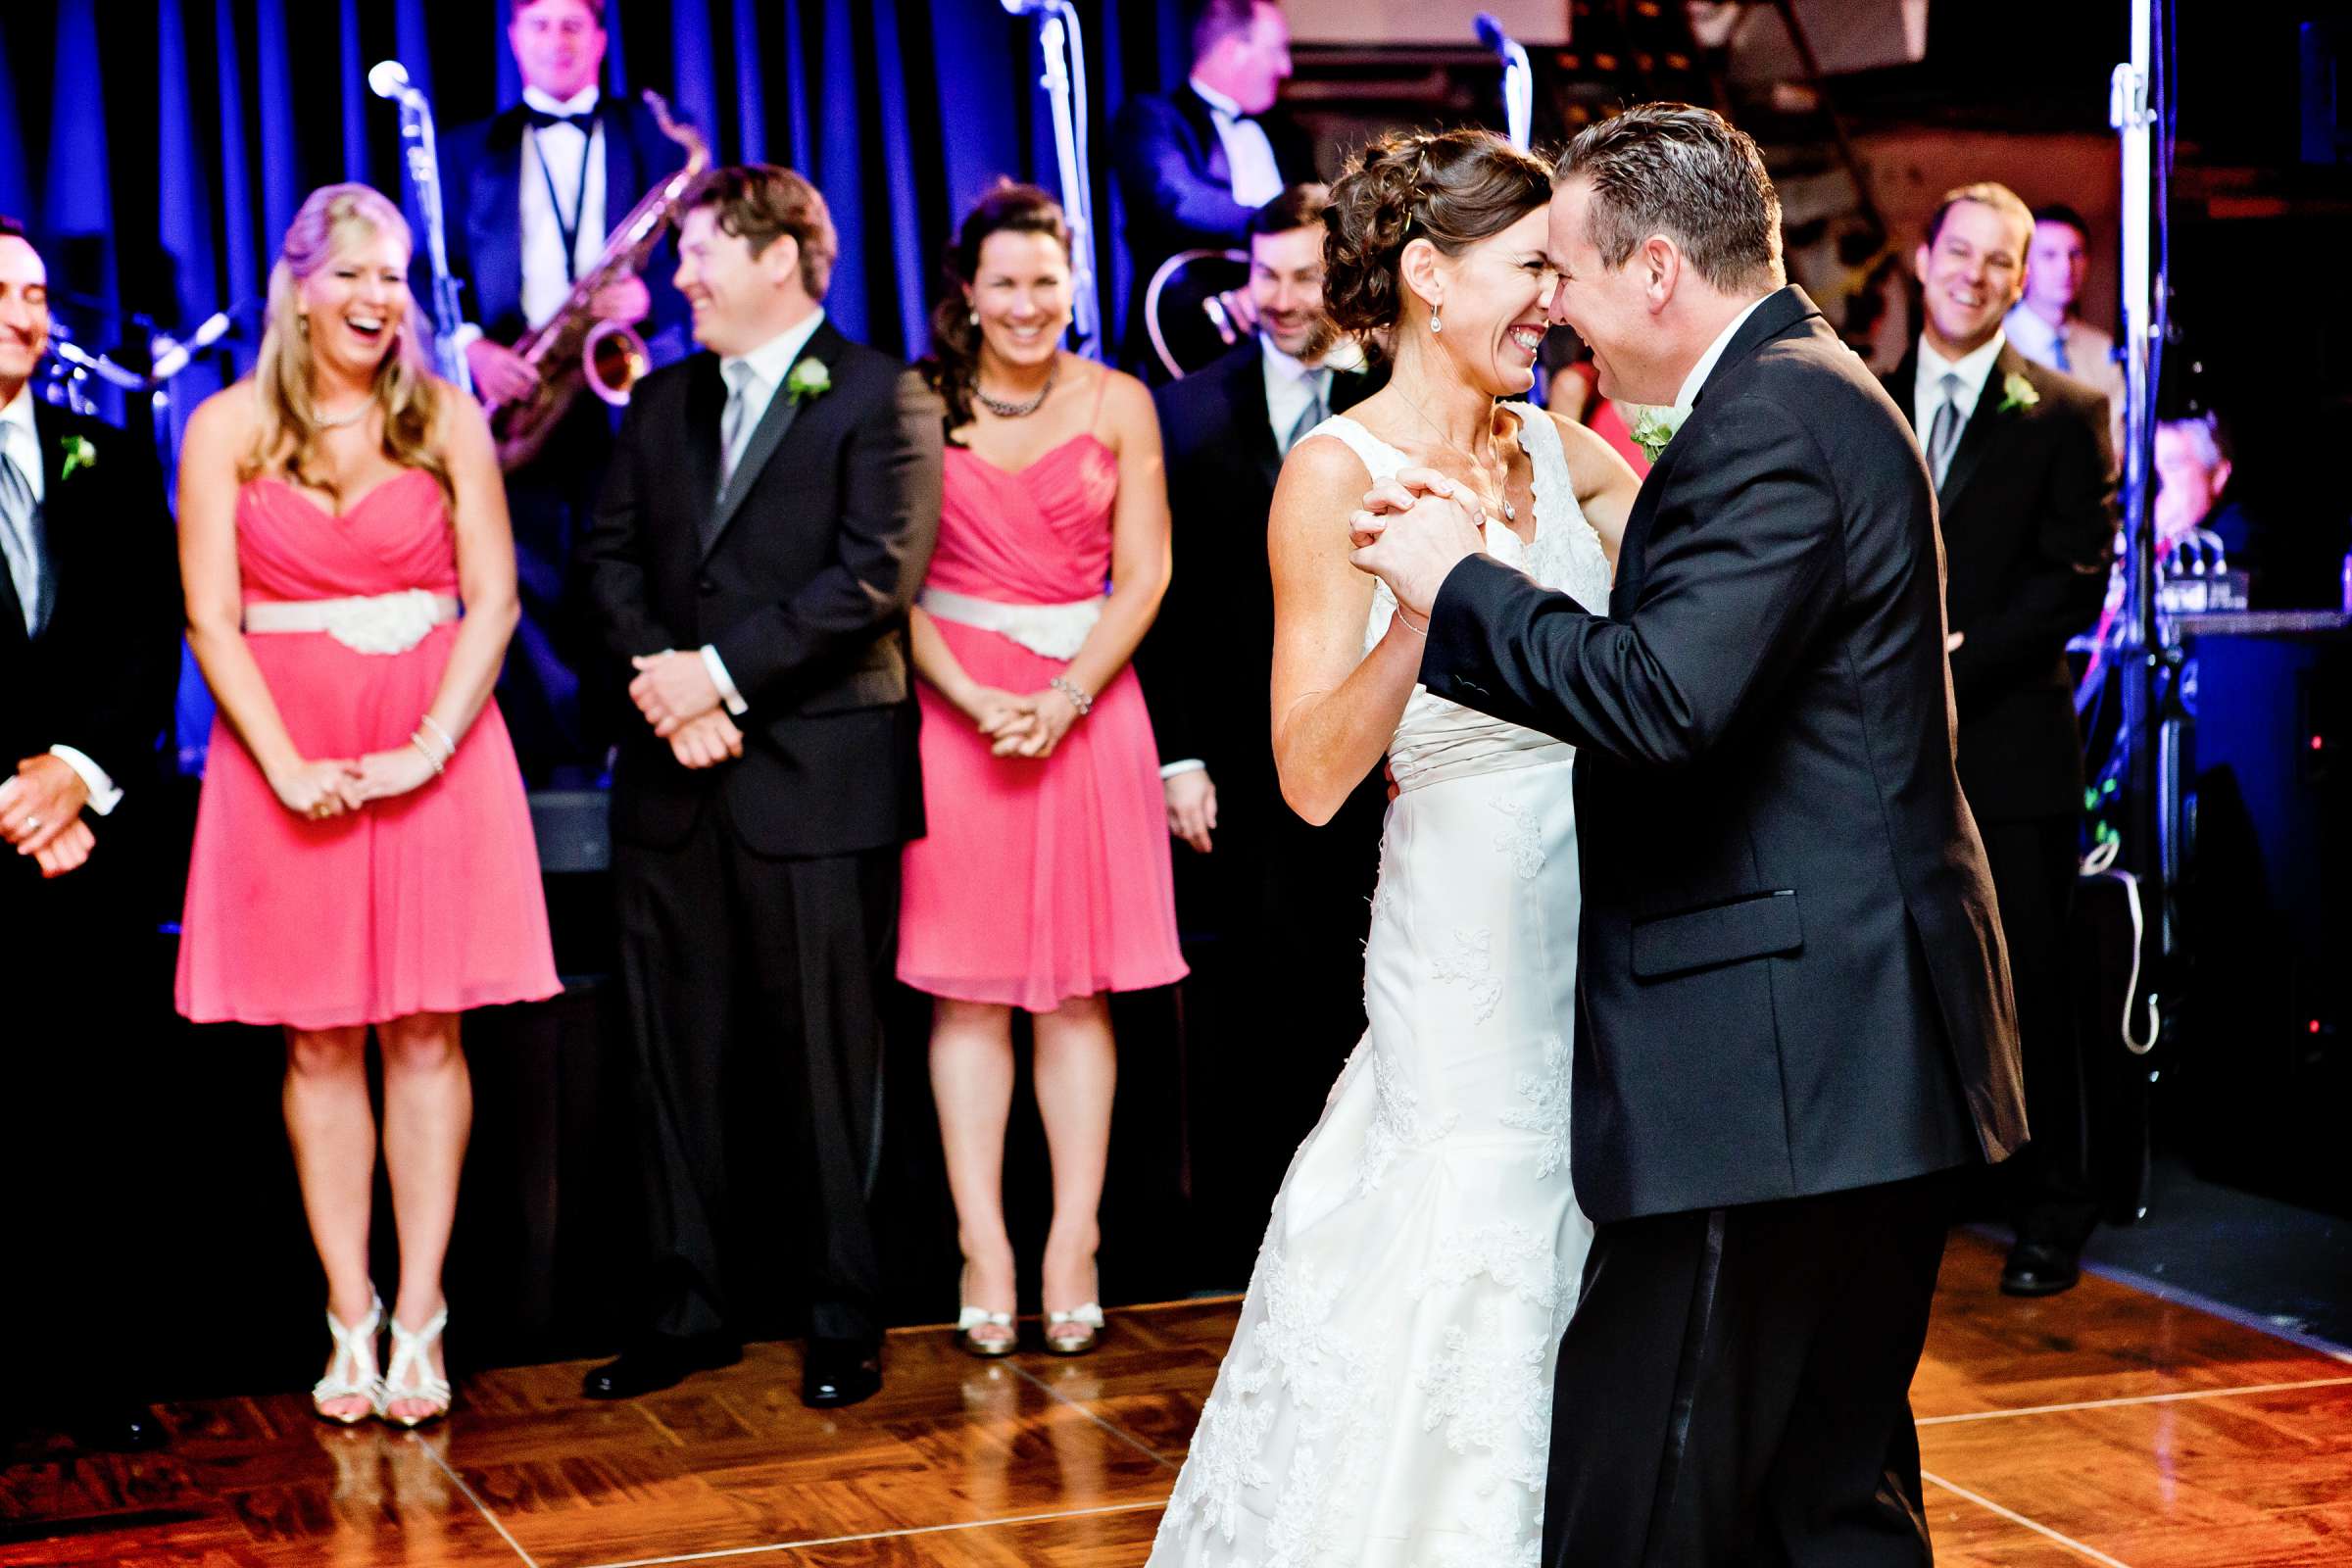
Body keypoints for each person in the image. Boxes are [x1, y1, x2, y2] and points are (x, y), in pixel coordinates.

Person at [1348, 104, 2028, 1566]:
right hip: (1833, 1053)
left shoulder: (1773, 418)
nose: (1558, 309)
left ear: (1656, 271)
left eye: (1573, 274)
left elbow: (1663, 701)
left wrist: (1457, 584)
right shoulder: (1798, 393)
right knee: (1823, 1499)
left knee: (1651, 1498)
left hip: (1770, 1071)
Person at [1150, 126, 1642, 1565]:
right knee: (1455, 1229)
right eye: (1531, 265)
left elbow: (1703, 546)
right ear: (1430, 275)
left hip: (1603, 919)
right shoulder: (1331, 473)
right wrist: (1434, 612)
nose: (1554, 294)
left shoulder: (1558, 445)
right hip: (1460, 948)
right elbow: (1306, 776)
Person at [175, 183, 561, 1428]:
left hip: (434, 748)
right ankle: (348, 1313)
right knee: (319, 1037)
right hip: (284, 757)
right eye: (351, 273)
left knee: (427, 1033)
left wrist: (429, 744)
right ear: (297, 287)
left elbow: (494, 602)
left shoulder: (446, 420)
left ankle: (424, 1311)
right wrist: (283, 761)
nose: (376, 296)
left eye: (392, 275)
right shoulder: (224, 427)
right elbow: (211, 620)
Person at [576, 164, 943, 1407]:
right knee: (671, 1059)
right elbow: (607, 559)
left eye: (699, 255)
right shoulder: (661, 397)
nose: (679, 277)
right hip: (672, 782)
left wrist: (719, 678)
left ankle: (843, 1313)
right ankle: (688, 1310)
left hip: (817, 778)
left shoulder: (879, 390)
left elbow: (873, 576)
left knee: (831, 1064)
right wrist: (668, 691)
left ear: (778, 254)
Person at [900, 183, 1184, 1359]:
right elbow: (890, 582)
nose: (1027, 303)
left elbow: (1149, 574)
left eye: (1047, 280)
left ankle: (1074, 1241)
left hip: (1090, 704)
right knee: (967, 989)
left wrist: (1065, 696)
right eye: (1005, 281)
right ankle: (985, 1246)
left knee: (1078, 990)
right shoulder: (918, 406)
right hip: (954, 712)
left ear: (1074, 284)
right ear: (968, 289)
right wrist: (972, 699)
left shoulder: (1119, 402)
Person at [1136, 181, 1385, 1280]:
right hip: (1233, 764)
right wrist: (1178, 754)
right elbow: (1166, 601)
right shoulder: (1185, 409)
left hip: (1381, 756)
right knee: (1248, 1000)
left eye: (1299, 275)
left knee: (1364, 988)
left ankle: (1358, 1234)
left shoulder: (1396, 398)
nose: (1274, 299)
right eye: (1261, 274)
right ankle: (1251, 1243)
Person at [1887, 182, 2115, 1298]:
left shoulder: (2066, 410)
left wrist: (1945, 661)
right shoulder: (1864, 396)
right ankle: (1936, 1192)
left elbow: (2073, 586)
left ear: (2022, 281)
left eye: (1999, 261)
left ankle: (2054, 1208)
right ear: (1921, 259)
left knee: (2034, 981)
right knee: (1904, 987)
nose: (1973, 274)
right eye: (1958, 252)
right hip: (1885, 762)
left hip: (2014, 756)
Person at [0, 217, 182, 1453]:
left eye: (37, 292)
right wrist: (8, 798)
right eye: (0, 292)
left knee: (96, 1118)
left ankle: (97, 1369)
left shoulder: (106, 457)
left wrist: (73, 774)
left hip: (94, 846)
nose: (27, 312)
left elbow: (145, 633)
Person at [436, 0, 693, 781]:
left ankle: (637, 759)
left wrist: (654, 304)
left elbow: (709, 262)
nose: (556, 42)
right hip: (523, 402)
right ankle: (553, 772)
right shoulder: (463, 150)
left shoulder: (654, 144)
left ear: (602, 40)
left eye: (573, 25)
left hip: (626, 401)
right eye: (539, 25)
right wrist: (470, 345)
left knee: (635, 578)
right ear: (514, 38)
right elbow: (426, 272)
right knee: (531, 587)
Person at [1111, 0, 1314, 376]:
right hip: (1189, 337)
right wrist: (1278, 224)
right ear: (1232, 51)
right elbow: (1177, 199)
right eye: (1276, 51)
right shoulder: (1153, 118)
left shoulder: (1289, 136)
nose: (1285, 67)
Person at [2004, 203, 2127, 455]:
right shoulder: (2002, 342)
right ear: (2024, 266)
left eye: (2076, 254)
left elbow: (2116, 440)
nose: (2065, 268)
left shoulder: (2101, 348)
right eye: (2049, 255)